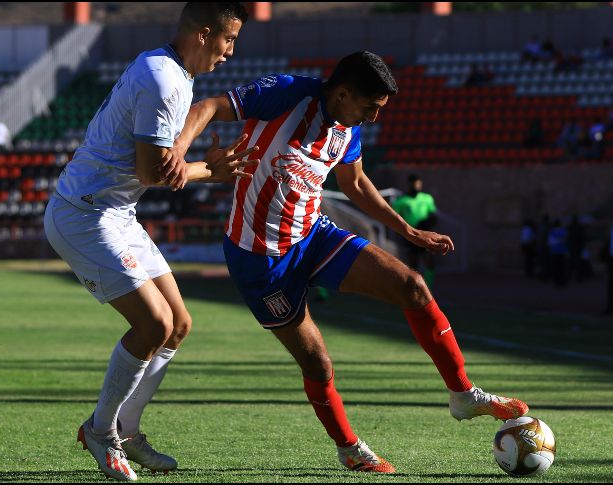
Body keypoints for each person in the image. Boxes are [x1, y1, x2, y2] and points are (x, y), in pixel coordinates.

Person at [172, 51, 528, 474]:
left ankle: (463, 394)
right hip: (260, 260)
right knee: (318, 363)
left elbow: (355, 183)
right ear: (342, 94)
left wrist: (408, 231)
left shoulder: (348, 127)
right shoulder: (286, 94)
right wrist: (177, 152)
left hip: (314, 236)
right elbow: (208, 106)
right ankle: (349, 448)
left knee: (413, 286)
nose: (373, 118)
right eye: (370, 107)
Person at [43, 3, 255, 481]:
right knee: (154, 323)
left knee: (178, 324)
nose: (230, 52)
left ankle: (127, 430)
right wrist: (211, 171)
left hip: (116, 212)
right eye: (228, 40)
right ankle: (100, 431)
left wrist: (187, 161)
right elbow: (150, 173)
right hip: (84, 214)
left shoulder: (168, 68)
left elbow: (158, 164)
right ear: (204, 34)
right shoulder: (164, 80)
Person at [391, 173, 439, 288]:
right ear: (409, 184)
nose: (417, 186)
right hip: (410, 236)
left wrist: (428, 223)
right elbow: (394, 217)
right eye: (414, 184)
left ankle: (428, 289)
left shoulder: (427, 198)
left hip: (425, 235)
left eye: (418, 184)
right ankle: (413, 290)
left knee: (430, 262)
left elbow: (433, 215)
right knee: (413, 266)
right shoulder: (401, 201)